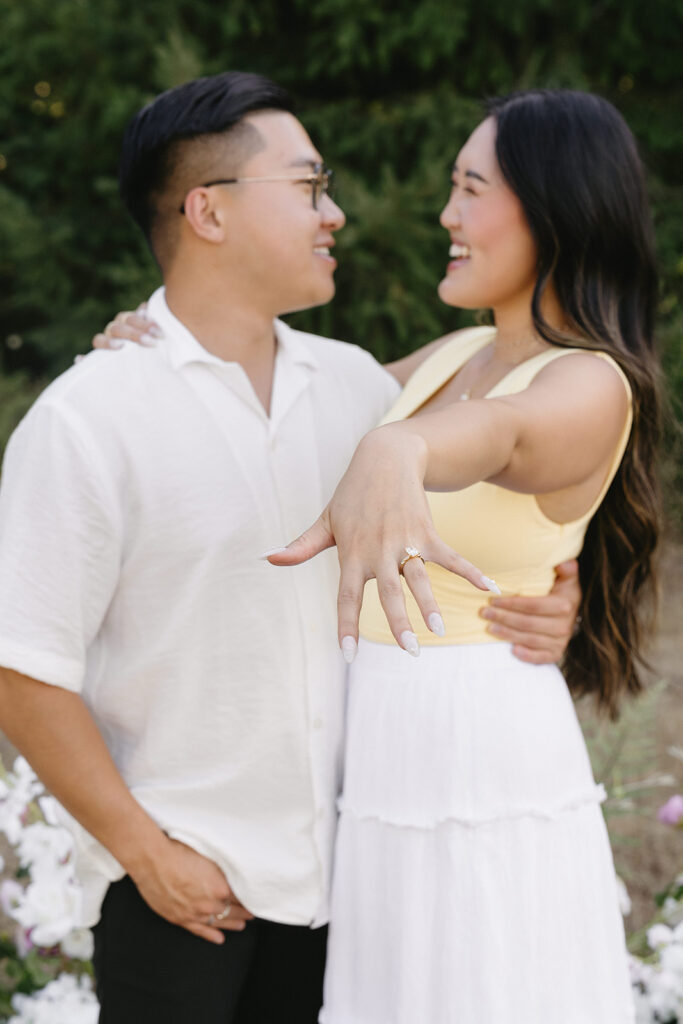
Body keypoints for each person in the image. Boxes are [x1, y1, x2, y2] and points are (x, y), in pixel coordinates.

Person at [0, 73, 578, 1024]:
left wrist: (560, 597)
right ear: (208, 211)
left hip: (352, 891)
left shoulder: (359, 391)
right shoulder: (91, 416)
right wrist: (148, 855)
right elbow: (24, 672)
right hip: (180, 900)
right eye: (309, 187)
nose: (335, 214)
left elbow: (520, 475)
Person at [268, 90, 661, 1023]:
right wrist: (157, 337)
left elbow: (498, 435)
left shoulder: (588, 382)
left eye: (469, 188)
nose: (447, 215)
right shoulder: (458, 352)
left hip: (475, 743)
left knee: (484, 984)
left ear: (554, 208)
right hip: (384, 737)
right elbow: (297, 386)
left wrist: (401, 448)